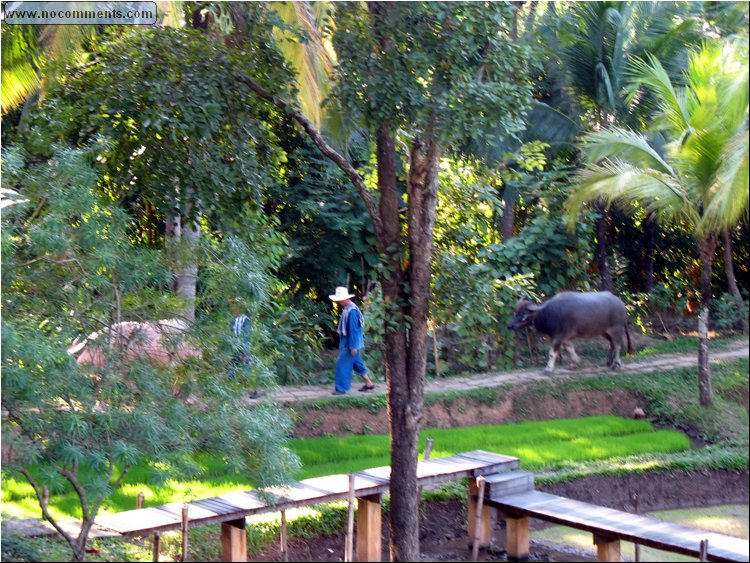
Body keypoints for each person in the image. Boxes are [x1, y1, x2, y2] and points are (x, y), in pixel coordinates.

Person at [329, 286, 375, 395]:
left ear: (344, 298)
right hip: (349, 342)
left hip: (349, 343)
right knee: (356, 363)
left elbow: (353, 330)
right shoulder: (348, 309)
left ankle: (341, 389)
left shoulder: (352, 311)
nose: (338, 302)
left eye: (339, 299)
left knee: (342, 365)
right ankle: (369, 383)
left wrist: (353, 346)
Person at [228, 299, 262, 400]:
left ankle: (256, 391)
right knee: (231, 369)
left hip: (243, 348)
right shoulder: (233, 320)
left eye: (234, 306)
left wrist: (244, 350)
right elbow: (230, 333)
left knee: (248, 368)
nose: (232, 308)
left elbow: (246, 335)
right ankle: (230, 391)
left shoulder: (245, 319)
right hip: (234, 348)